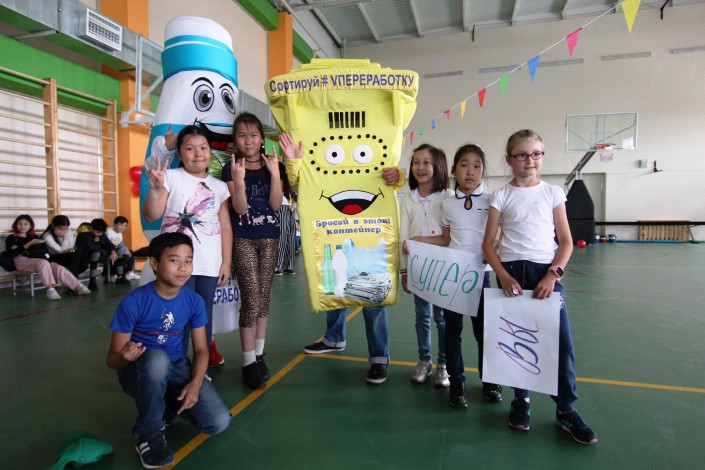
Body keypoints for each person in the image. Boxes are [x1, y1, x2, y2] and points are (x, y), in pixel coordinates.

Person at [482, 129, 597, 445]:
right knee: (517, 339)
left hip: (545, 273)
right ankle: (521, 399)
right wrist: (503, 276)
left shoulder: (553, 193)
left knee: (560, 344)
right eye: (521, 154)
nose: (529, 160)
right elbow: (488, 244)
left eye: (536, 153)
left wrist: (553, 275)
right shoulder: (500, 196)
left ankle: (566, 408)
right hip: (511, 275)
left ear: (542, 156)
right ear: (509, 160)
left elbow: (567, 242)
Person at [280, 131, 404, 385]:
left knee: (373, 294)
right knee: (336, 282)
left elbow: (393, 176)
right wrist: (293, 162)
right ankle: (334, 338)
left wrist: (398, 175)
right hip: (334, 222)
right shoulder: (319, 140)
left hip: (371, 225)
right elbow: (299, 183)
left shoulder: (375, 135)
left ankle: (379, 357)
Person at [106, 232, 231, 469]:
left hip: (177, 366)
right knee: (157, 359)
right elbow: (112, 359)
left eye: (188, 260)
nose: (183, 267)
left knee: (218, 422)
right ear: (154, 263)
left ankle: (167, 404)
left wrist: (195, 384)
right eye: (174, 260)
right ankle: (148, 433)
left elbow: (202, 349)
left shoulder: (193, 301)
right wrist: (123, 357)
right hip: (140, 370)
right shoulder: (134, 301)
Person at [408, 144, 502, 407]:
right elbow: (446, 238)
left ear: (483, 171)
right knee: (452, 331)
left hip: (481, 276)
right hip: (454, 276)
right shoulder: (448, 204)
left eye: (476, 166)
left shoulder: (493, 200)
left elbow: (502, 234)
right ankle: (457, 381)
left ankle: (490, 380)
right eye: (464, 165)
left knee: (483, 331)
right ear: (453, 170)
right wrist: (417, 241)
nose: (470, 171)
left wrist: (495, 252)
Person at [143, 125, 232, 369]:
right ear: (180, 154)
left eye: (203, 148)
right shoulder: (170, 177)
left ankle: (202, 367)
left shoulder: (220, 187)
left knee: (204, 316)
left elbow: (225, 226)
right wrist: (155, 190)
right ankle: (177, 365)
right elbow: (151, 215)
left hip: (209, 263)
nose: (198, 153)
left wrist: (226, 261)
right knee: (176, 315)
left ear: (210, 152)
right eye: (190, 148)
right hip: (176, 264)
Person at [221, 112, 283, 389]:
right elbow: (240, 208)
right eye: (242, 135)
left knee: (263, 297)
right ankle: (248, 361)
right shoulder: (231, 168)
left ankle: (259, 354)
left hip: (269, 236)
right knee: (251, 298)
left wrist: (275, 174)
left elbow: (276, 205)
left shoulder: (273, 165)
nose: (248, 140)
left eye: (253, 135)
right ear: (235, 140)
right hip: (243, 238)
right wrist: (239, 179)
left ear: (261, 139)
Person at [399, 144, 454, 387]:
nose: (420, 167)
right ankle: (424, 360)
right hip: (418, 267)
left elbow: (451, 236)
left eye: (426, 162)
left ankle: (443, 364)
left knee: (442, 318)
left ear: (438, 166)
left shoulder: (448, 198)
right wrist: (404, 270)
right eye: (415, 162)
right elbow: (403, 237)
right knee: (422, 316)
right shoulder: (407, 199)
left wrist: (421, 240)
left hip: (442, 267)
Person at [4, 214, 91, 300]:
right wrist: (29, 245)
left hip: (36, 260)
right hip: (21, 261)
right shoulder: (11, 238)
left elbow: (39, 250)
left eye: (26, 224)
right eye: (19, 224)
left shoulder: (33, 236)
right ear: (15, 225)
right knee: (43, 262)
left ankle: (78, 286)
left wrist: (23, 248)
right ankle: (50, 290)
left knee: (56, 266)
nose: (23, 226)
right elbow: (12, 254)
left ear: (30, 225)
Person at [75, 218, 123, 290]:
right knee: (96, 253)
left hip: (100, 254)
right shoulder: (83, 235)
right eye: (98, 232)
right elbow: (91, 247)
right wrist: (108, 252)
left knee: (119, 251)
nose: (100, 234)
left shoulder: (101, 234)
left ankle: (120, 276)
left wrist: (112, 252)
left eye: (101, 232)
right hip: (85, 256)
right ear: (91, 228)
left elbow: (108, 243)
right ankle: (92, 280)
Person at [105, 216, 140, 281]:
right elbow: (112, 243)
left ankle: (128, 272)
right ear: (114, 224)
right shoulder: (109, 232)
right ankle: (118, 273)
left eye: (125, 226)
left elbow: (120, 244)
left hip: (118, 250)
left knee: (130, 252)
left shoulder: (120, 234)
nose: (123, 227)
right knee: (123, 253)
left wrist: (126, 250)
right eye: (121, 225)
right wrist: (125, 250)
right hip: (111, 250)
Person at [274, 180, 296, 276]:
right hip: (281, 208)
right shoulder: (280, 181)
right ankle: (276, 266)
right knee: (282, 237)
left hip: (290, 209)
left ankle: (288, 266)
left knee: (291, 238)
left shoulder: (291, 186)